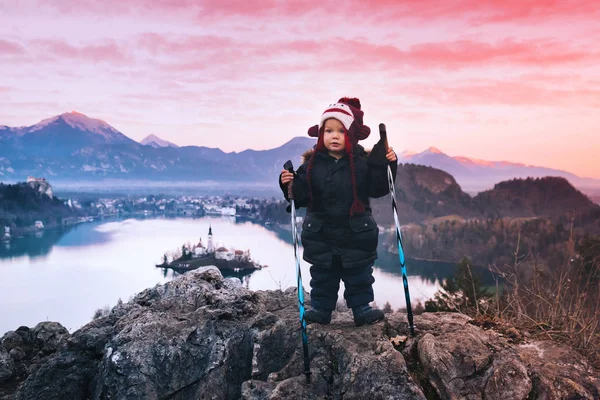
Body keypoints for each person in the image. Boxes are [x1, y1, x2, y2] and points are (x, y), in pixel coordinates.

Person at [279, 97, 397, 326]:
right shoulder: (311, 165)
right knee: (323, 276)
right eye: (329, 131)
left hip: (356, 235)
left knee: (359, 276)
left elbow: (379, 186)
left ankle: (361, 310)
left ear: (351, 136)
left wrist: (388, 165)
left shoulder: (363, 164)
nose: (334, 136)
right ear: (321, 135)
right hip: (322, 235)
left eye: (341, 131)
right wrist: (288, 183)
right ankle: (321, 310)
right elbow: (301, 196)